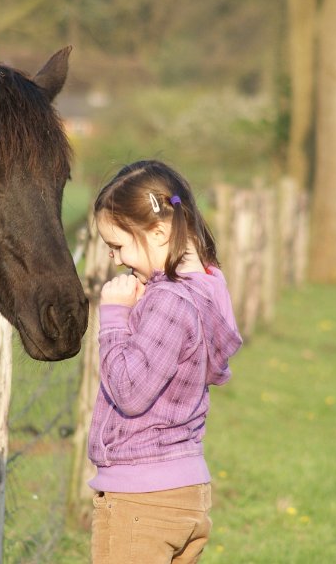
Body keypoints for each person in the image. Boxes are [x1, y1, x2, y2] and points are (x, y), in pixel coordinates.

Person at [88, 159, 242, 563]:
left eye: (118, 245)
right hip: (187, 492)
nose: (115, 259)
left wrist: (115, 316)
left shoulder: (169, 301)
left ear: (159, 232)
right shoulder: (208, 287)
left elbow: (130, 392)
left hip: (141, 498)